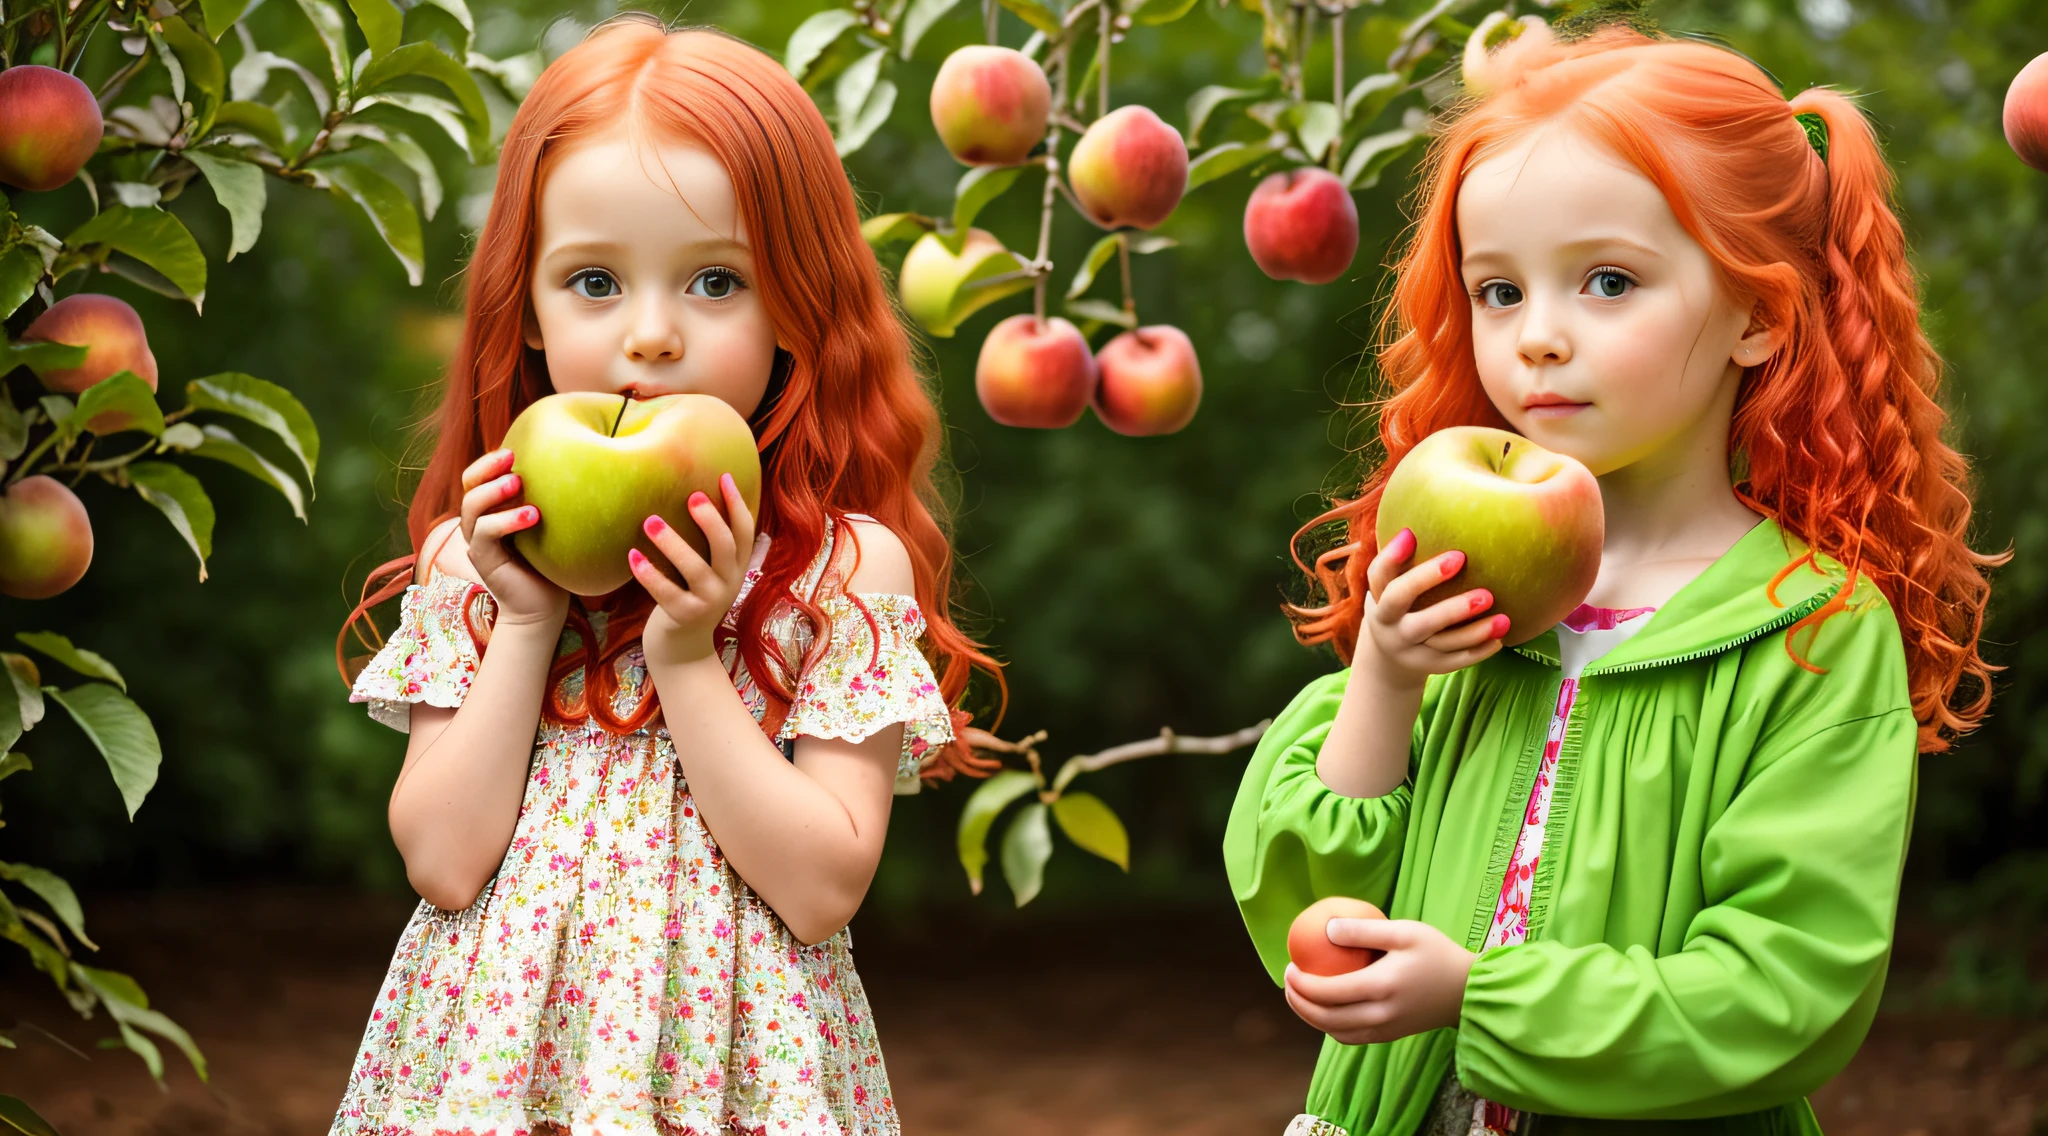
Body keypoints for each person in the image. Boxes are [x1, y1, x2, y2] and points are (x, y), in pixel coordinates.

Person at [1224, 24, 2002, 1136]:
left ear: (1757, 315)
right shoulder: (1462, 586)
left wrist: (1473, 994)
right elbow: (1305, 904)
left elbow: (1781, 991)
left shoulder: (1809, 629)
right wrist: (1385, 679)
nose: (1536, 337)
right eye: (1496, 291)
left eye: (1604, 280)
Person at [328, 19, 1000, 1135]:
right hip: (500, 1069)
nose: (649, 336)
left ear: (795, 301)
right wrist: (530, 618)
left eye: (714, 282)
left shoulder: (835, 570)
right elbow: (443, 864)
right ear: (525, 306)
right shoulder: (478, 555)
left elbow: (821, 886)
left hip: (731, 1068)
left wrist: (686, 655)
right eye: (593, 280)